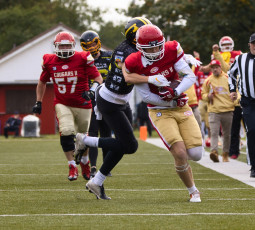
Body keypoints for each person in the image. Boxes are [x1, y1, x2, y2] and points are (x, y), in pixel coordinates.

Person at [74, 17, 171, 200]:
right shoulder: (126, 52)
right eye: (146, 35)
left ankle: (96, 182)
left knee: (122, 145)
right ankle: (87, 141)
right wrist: (153, 79)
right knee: (130, 145)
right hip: (110, 101)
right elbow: (130, 78)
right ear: (136, 37)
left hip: (120, 101)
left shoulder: (133, 48)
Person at [123, 24, 203, 202]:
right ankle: (193, 190)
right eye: (149, 47)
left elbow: (190, 76)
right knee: (180, 152)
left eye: (157, 45)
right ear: (140, 48)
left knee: (196, 154)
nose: (154, 50)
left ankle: (182, 161)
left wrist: (175, 93)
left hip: (181, 106)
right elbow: (147, 97)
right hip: (159, 110)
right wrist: (169, 98)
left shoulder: (171, 49)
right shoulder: (134, 62)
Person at [32, 31, 103, 181]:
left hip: (83, 103)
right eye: (61, 46)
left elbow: (98, 78)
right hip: (62, 103)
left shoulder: (83, 58)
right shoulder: (49, 60)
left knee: (83, 138)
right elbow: (42, 82)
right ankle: (72, 165)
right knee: (66, 131)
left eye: (67, 46)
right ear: (56, 47)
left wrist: (91, 91)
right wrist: (38, 101)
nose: (64, 49)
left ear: (73, 46)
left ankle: (84, 162)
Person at [80, 30, 112, 178]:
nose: (91, 48)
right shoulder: (83, 60)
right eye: (87, 45)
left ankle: (106, 165)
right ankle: (93, 166)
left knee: (106, 134)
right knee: (92, 133)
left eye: (93, 44)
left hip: (106, 99)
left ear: (98, 42)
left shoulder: (109, 56)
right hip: (91, 100)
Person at [228, 33, 255, 177]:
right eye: (254, 43)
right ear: (249, 44)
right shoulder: (241, 59)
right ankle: (253, 165)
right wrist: (232, 90)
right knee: (251, 131)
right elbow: (231, 74)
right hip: (248, 101)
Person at [211, 36, 243, 159]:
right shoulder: (228, 73)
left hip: (246, 100)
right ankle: (233, 151)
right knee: (233, 130)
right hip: (234, 102)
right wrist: (217, 53)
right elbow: (224, 67)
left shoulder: (241, 58)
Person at [201, 59, 235, 162]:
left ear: (220, 68)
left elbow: (236, 91)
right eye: (213, 68)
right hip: (214, 111)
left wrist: (235, 99)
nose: (215, 69)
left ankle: (225, 153)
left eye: (216, 67)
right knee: (214, 133)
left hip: (227, 109)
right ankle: (214, 152)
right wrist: (208, 96)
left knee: (227, 134)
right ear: (211, 69)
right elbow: (203, 95)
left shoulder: (228, 78)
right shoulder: (208, 80)